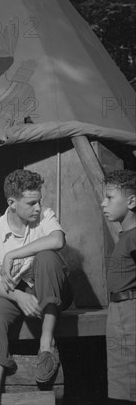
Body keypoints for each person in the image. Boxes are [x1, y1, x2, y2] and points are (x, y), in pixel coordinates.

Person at [0, 169, 72, 405]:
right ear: (11, 203)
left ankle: (46, 343)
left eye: (39, 201)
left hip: (52, 289)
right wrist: (19, 297)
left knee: (47, 257)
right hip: (17, 291)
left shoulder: (45, 216)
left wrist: (12, 254)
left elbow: (58, 240)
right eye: (31, 203)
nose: (38, 208)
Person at [102, 169, 136, 404]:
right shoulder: (125, 236)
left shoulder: (134, 237)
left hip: (130, 313)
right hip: (118, 312)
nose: (103, 203)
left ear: (132, 201)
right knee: (121, 383)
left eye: (110, 198)